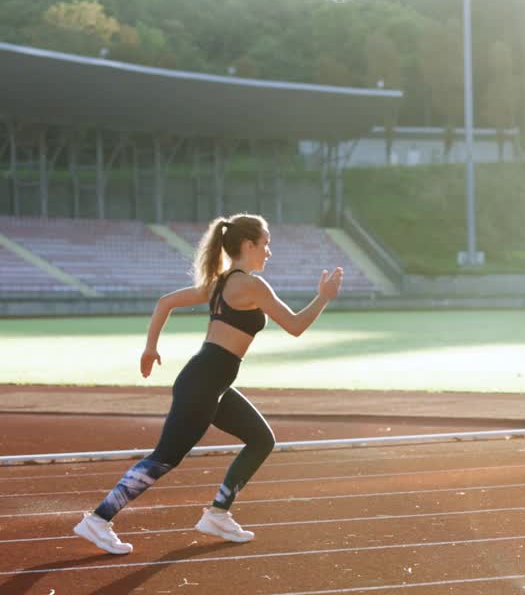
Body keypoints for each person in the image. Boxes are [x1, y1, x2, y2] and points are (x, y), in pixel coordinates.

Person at [72, 214, 344, 554]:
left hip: (211, 382)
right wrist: (325, 296)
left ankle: (217, 513)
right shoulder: (250, 285)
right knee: (165, 457)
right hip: (204, 382)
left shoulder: (220, 283)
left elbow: (164, 303)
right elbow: (295, 325)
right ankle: (98, 520)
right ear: (248, 245)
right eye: (266, 243)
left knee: (260, 439)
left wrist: (150, 348)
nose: (269, 252)